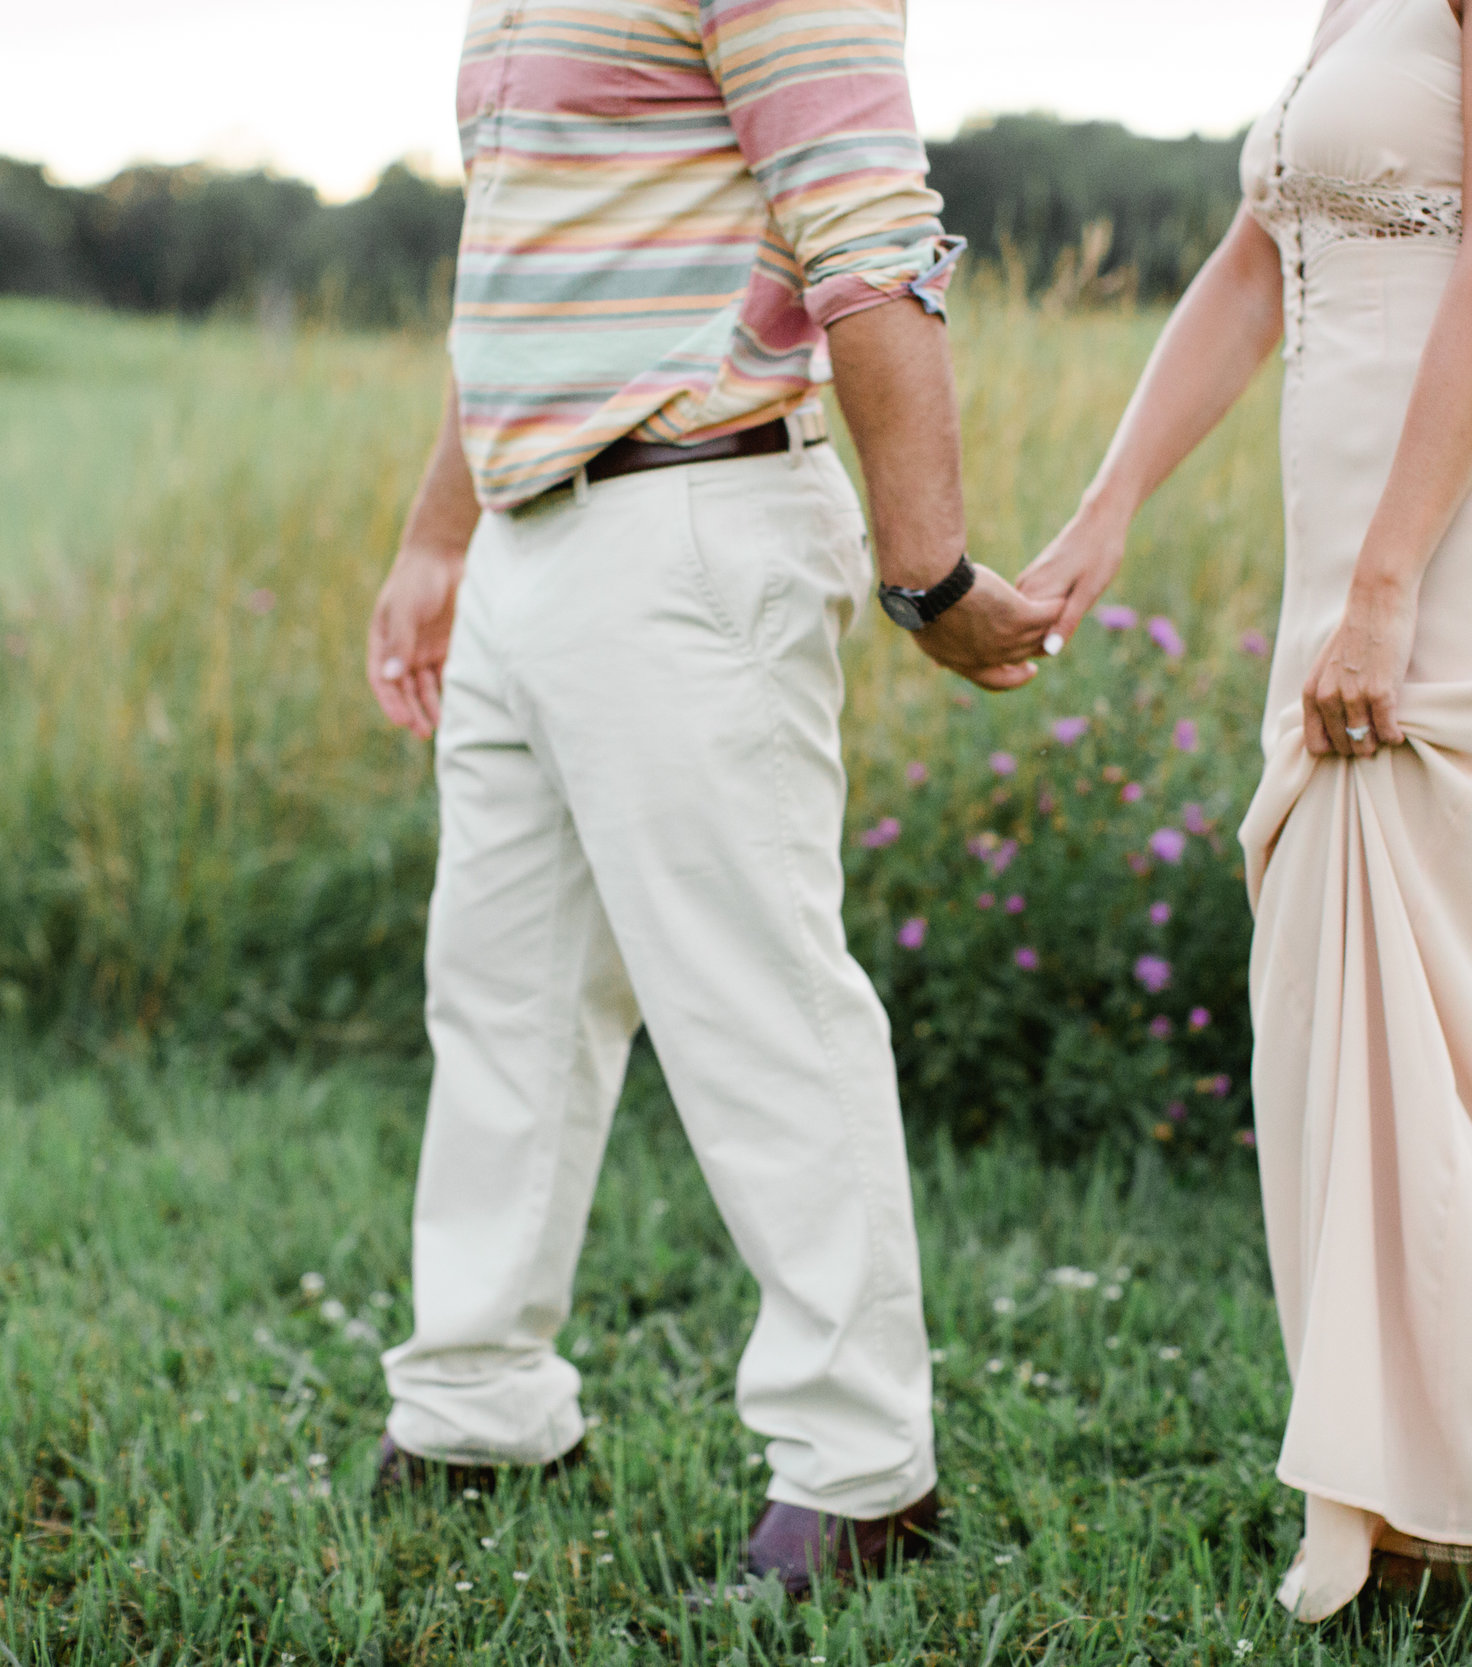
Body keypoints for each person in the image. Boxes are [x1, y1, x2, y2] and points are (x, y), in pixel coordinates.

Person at [1017, 0, 1472, 1659]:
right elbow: (1256, 262)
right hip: (1355, 547)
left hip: (1467, 546)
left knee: (1434, 1023)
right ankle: (1444, 1509)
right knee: (1357, 1012)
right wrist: (1100, 518)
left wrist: (1390, 583)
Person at [360, 0, 1056, 1599]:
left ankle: (863, 1474)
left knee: (755, 1004)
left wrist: (927, 566)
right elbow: (524, 273)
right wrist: (437, 538)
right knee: (504, 999)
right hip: (535, 531)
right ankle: (476, 1403)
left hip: (694, 524)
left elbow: (868, 233)